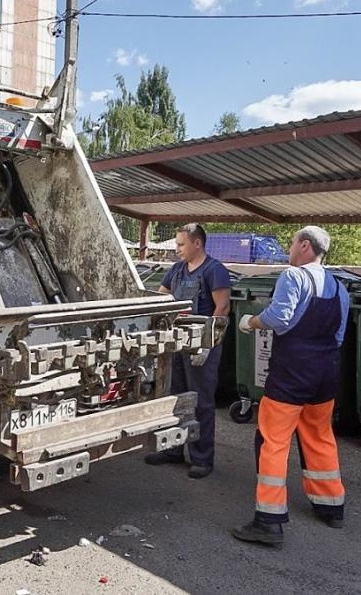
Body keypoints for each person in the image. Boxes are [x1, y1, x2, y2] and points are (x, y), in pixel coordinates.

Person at [231, 226, 349, 548]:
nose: (289, 248)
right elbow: (338, 336)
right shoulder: (340, 287)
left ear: (306, 246)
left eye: (292, 242)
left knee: (273, 441)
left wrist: (250, 322)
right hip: (325, 374)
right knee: (319, 436)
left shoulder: (294, 276)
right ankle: (331, 507)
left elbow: (280, 318)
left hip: (292, 373)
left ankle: (268, 522)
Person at [144, 223, 231, 479]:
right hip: (176, 343)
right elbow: (161, 298)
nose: (177, 249)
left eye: (181, 244)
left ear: (197, 244)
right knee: (175, 397)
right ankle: (172, 449)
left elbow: (222, 308)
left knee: (200, 401)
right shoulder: (178, 270)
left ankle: (202, 458)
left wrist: (206, 344)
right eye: (176, 244)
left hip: (201, 346)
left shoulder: (214, 271)